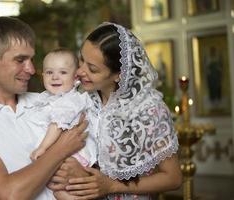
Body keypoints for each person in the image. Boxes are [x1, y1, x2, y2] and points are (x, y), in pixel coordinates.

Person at [0, 16, 87, 200]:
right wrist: (60, 149)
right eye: (20, 60)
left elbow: (92, 156)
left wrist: (82, 174)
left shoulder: (49, 101)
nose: (30, 69)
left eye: (31, 59)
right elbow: (9, 194)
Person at [49, 22, 182, 200]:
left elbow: (173, 178)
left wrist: (111, 185)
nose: (80, 72)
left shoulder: (149, 111)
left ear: (119, 74)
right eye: (81, 60)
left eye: (92, 69)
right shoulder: (80, 98)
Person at [29, 48, 96, 168]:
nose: (55, 77)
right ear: (43, 75)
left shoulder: (71, 100)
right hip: (55, 151)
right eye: (49, 72)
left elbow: (57, 125)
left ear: (75, 77)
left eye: (63, 72)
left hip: (73, 155)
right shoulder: (46, 98)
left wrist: (42, 148)